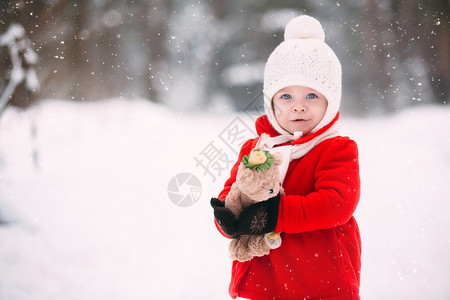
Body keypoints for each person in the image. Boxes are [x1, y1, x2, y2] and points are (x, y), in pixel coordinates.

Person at [211, 15, 361, 300]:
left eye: (312, 96)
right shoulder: (255, 149)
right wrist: (229, 218)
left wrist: (276, 215)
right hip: (263, 280)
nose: (299, 107)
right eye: (286, 97)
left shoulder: (336, 148)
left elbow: (337, 203)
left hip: (319, 279)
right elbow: (235, 191)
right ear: (271, 102)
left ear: (331, 100)